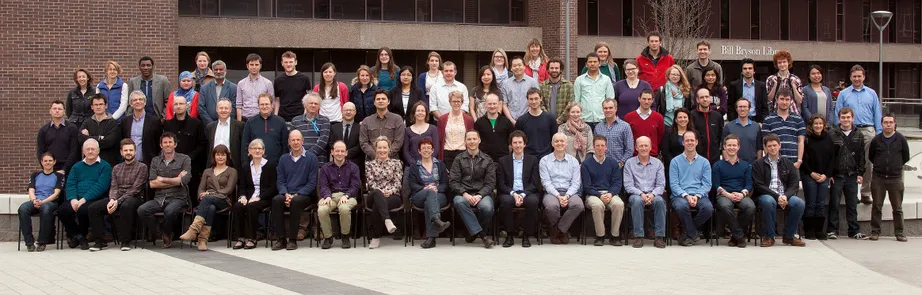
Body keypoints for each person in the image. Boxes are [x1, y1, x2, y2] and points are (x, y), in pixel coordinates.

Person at [834, 65, 882, 205]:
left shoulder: (872, 93)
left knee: (867, 162)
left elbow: (877, 113)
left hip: (868, 130)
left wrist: (878, 133)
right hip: (849, 130)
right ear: (850, 77)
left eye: (859, 76)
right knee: (848, 161)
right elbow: (838, 113)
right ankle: (851, 193)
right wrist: (839, 131)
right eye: (854, 76)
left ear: (863, 77)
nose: (857, 79)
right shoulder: (844, 94)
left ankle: (866, 193)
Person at [87, 139, 146, 252]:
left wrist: (118, 201)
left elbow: (135, 189)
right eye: (125, 150)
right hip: (117, 198)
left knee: (126, 206)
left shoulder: (142, 167)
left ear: (135, 152)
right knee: (93, 208)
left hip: (134, 198)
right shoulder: (116, 168)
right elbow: (114, 187)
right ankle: (100, 241)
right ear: (121, 152)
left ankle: (125, 241)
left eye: (130, 150)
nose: (128, 152)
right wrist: (112, 199)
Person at [138, 133, 191, 249]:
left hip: (178, 198)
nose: (168, 145)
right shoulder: (155, 161)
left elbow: (185, 180)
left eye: (170, 142)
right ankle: (162, 234)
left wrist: (162, 179)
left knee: (170, 211)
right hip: (159, 198)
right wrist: (175, 180)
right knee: (142, 210)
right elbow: (152, 183)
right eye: (165, 143)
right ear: (161, 145)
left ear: (175, 144)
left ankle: (167, 233)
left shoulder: (184, 159)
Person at [180, 145, 237, 251]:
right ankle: (202, 241)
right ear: (214, 156)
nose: (220, 157)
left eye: (223, 155)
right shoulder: (207, 171)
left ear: (227, 157)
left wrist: (210, 194)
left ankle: (193, 230)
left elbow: (228, 190)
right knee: (210, 207)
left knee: (207, 199)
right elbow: (201, 189)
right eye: (218, 155)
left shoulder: (232, 171)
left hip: (224, 200)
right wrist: (201, 194)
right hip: (208, 200)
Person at [753, 134, 806, 247]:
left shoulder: (788, 163)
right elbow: (758, 185)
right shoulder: (758, 164)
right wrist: (777, 197)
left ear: (779, 145)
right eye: (769, 146)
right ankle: (769, 236)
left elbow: (794, 184)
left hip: (785, 195)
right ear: (765, 148)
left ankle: (789, 236)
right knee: (768, 201)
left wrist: (785, 196)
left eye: (774, 145)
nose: (772, 148)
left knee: (799, 203)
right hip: (766, 195)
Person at [271, 130, 319, 251]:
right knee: (276, 200)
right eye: (293, 140)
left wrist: (296, 194)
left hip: (305, 195)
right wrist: (286, 194)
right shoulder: (283, 159)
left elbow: (312, 182)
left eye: (298, 140)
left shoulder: (311, 158)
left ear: (303, 141)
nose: (296, 142)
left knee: (296, 201)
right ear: (289, 142)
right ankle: (281, 239)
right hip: (288, 193)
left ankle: (292, 239)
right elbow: (280, 181)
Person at [60, 139, 112, 250]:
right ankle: (79, 237)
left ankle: (81, 237)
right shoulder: (76, 166)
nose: (90, 151)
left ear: (98, 151)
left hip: (95, 199)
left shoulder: (105, 166)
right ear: (83, 151)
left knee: (83, 210)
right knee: (63, 210)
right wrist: (73, 199)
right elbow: (70, 184)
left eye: (93, 149)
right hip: (76, 199)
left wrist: (84, 199)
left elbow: (101, 186)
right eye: (87, 149)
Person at [826, 107, 868, 240]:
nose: (846, 120)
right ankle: (832, 230)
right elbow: (829, 156)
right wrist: (829, 174)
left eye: (848, 117)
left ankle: (854, 230)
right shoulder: (832, 134)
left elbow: (862, 155)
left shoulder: (858, 134)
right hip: (837, 175)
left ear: (852, 118)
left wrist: (860, 173)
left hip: (852, 175)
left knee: (852, 204)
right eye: (843, 117)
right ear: (839, 119)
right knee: (834, 204)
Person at [450, 130, 496, 248]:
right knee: (459, 202)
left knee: (487, 207)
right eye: (469, 139)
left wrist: (479, 195)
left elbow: (490, 183)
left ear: (479, 140)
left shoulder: (487, 160)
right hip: (463, 193)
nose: (472, 141)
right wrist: (465, 194)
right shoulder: (458, 159)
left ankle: (473, 233)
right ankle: (482, 235)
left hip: (482, 194)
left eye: (474, 139)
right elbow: (454, 181)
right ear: (465, 141)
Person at [867, 114, 910, 242]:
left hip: (895, 178)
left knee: (897, 207)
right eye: (885, 122)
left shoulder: (901, 139)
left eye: (891, 122)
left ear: (895, 124)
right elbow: (871, 156)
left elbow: (906, 156)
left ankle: (900, 233)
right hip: (878, 177)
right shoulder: (876, 140)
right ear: (881, 124)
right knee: (876, 206)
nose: (888, 125)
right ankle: (875, 232)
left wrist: (895, 166)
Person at [668, 131, 714, 246]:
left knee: (708, 208)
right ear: (683, 142)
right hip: (680, 195)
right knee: (681, 206)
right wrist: (686, 196)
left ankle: (687, 233)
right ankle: (692, 233)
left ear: (696, 142)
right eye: (687, 140)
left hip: (699, 195)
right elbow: (674, 184)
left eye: (692, 140)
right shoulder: (675, 162)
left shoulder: (704, 162)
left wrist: (697, 196)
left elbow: (707, 184)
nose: (690, 143)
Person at [496, 131, 541, 248]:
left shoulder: (533, 160)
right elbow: (501, 183)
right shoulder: (503, 161)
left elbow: (535, 183)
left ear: (525, 144)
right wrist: (514, 194)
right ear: (511, 145)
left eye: (520, 142)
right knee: (506, 202)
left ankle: (526, 235)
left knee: (533, 202)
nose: (517, 145)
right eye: (515, 143)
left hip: (527, 191)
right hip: (509, 192)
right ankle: (509, 235)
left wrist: (523, 194)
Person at [231, 139, 278, 250]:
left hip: (264, 198)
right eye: (254, 148)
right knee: (238, 206)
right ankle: (240, 238)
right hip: (249, 197)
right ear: (249, 151)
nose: (257, 150)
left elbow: (273, 188)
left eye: (260, 148)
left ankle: (252, 238)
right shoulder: (246, 167)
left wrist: (259, 197)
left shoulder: (270, 166)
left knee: (251, 206)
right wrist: (242, 196)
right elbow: (242, 186)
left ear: (263, 151)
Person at [623, 136, 667, 248]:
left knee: (660, 202)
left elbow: (661, 185)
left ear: (650, 147)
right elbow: (628, 185)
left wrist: (652, 195)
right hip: (636, 194)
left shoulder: (658, 163)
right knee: (637, 202)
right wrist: (641, 194)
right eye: (641, 146)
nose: (643, 148)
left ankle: (659, 237)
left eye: (646, 145)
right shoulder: (629, 163)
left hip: (654, 194)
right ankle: (638, 237)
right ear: (636, 147)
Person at [541, 133, 584, 244]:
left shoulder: (573, 161)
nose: (559, 143)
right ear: (552, 143)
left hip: (569, 192)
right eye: (556, 141)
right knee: (551, 206)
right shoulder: (544, 161)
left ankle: (558, 230)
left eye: (562, 141)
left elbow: (576, 183)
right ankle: (563, 231)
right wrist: (558, 196)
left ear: (566, 144)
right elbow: (546, 182)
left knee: (578, 205)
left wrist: (567, 195)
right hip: (551, 192)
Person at [712, 134, 754, 248]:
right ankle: (740, 236)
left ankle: (734, 236)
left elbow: (749, 184)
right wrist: (727, 194)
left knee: (750, 207)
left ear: (738, 147)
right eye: (729, 145)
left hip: (741, 194)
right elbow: (715, 184)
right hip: (724, 194)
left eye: (734, 145)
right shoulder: (717, 165)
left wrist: (742, 194)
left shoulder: (746, 166)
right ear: (724, 147)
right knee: (725, 206)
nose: (731, 147)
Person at [317, 141, 361, 249]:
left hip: (349, 196)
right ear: (332, 152)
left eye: (342, 151)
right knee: (322, 209)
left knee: (344, 208)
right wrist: (327, 196)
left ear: (346, 153)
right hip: (330, 196)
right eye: (337, 151)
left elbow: (355, 186)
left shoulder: (354, 167)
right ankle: (328, 237)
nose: (339, 153)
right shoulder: (325, 168)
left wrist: (346, 196)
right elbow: (323, 185)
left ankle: (345, 236)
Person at [582, 135, 625, 246]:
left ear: (606, 147)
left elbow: (617, 183)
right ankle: (600, 236)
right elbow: (587, 186)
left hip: (610, 193)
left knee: (619, 204)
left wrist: (610, 194)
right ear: (593, 147)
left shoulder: (613, 163)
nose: (600, 148)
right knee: (597, 205)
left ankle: (614, 236)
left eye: (602, 145)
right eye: (597, 146)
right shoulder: (586, 164)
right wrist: (599, 195)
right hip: (593, 194)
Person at [408, 139, 451, 249]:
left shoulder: (440, 165)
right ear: (419, 151)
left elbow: (445, 183)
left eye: (428, 148)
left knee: (429, 203)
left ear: (433, 150)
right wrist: (425, 188)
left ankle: (431, 238)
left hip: (439, 195)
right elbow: (412, 184)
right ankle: (437, 220)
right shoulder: (414, 166)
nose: (426, 150)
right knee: (429, 194)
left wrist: (436, 188)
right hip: (419, 195)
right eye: (423, 148)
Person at [163, 95, 207, 201]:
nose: (178, 106)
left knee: (192, 196)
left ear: (187, 106)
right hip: (173, 165)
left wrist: (190, 157)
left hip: (192, 166)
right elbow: (165, 144)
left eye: (181, 104)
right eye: (176, 104)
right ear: (172, 106)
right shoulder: (168, 125)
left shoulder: (196, 123)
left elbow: (202, 144)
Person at [18, 153, 64, 252]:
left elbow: (56, 193)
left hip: (50, 202)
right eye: (45, 161)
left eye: (50, 161)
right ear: (42, 162)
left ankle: (42, 242)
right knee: (23, 208)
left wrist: (43, 202)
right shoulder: (35, 175)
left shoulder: (59, 176)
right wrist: (34, 200)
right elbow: (31, 190)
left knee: (46, 208)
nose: (48, 163)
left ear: (54, 162)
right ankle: (29, 242)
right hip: (36, 200)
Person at [364, 139, 404, 249]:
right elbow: (370, 183)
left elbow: (398, 182)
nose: (382, 150)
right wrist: (381, 192)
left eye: (384, 147)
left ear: (389, 148)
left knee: (377, 206)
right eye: (379, 147)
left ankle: (376, 237)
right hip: (374, 194)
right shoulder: (369, 164)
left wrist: (390, 191)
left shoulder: (397, 163)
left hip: (392, 196)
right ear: (375, 149)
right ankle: (387, 220)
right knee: (377, 193)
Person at [801, 114, 835, 240]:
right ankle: (809, 230)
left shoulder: (828, 138)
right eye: (816, 124)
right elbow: (804, 159)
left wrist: (826, 175)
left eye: (820, 123)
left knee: (821, 204)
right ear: (811, 125)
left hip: (824, 176)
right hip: (810, 175)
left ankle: (819, 230)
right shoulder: (807, 139)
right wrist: (811, 173)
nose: (818, 126)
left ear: (824, 125)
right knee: (811, 203)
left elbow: (832, 158)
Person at [761, 88, 806, 166]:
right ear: (777, 100)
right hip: (775, 163)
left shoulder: (798, 119)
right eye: (782, 99)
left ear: (791, 101)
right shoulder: (768, 120)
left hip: (794, 163)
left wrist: (799, 161)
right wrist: (771, 161)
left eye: (787, 99)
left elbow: (800, 141)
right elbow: (765, 143)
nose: (784, 102)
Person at [241, 93, 289, 165]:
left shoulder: (280, 122)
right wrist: (245, 164)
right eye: (262, 104)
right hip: (255, 166)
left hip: (276, 166)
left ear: (272, 105)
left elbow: (285, 145)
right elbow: (245, 144)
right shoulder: (250, 122)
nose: (264, 106)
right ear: (258, 105)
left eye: (267, 104)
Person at [360, 90, 406, 160]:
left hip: (392, 161)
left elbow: (398, 141)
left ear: (388, 102)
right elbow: (363, 142)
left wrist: (385, 156)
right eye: (378, 99)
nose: (380, 101)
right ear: (374, 102)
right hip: (372, 162)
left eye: (383, 99)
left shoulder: (397, 119)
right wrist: (375, 155)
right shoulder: (366, 121)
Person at [120, 91, 163, 165]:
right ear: (131, 104)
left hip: (148, 162)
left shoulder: (154, 121)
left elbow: (158, 142)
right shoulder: (125, 121)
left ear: (145, 102)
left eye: (140, 99)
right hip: (128, 162)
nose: (138, 101)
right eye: (135, 100)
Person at [574, 52, 615, 129]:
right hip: (584, 120)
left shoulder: (606, 79)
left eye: (595, 62)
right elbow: (577, 100)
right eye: (590, 62)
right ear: (586, 64)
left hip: (602, 119)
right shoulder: (579, 80)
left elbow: (610, 99)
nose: (592, 64)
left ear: (599, 63)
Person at [38, 100, 79, 174]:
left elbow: (74, 151)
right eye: (54, 109)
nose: (57, 111)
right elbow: (40, 151)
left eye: (59, 109)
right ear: (50, 111)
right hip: (50, 169)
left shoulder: (72, 129)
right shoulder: (43, 130)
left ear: (64, 112)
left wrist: (64, 169)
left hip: (69, 170)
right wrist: (47, 168)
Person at [515, 89, 558, 158]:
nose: (534, 102)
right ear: (527, 100)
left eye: (536, 98)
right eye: (531, 99)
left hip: (546, 157)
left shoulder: (550, 118)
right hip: (528, 158)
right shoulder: (521, 120)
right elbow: (518, 140)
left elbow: (554, 138)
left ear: (541, 99)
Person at [593, 99, 634, 172]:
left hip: (619, 168)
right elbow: (595, 148)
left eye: (610, 108)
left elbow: (630, 149)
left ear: (616, 108)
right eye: (605, 108)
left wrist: (621, 163)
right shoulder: (598, 127)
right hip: (601, 167)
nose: (608, 110)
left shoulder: (625, 126)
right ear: (602, 109)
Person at [436, 90, 474, 167]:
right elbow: (439, 139)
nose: (456, 103)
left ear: (462, 102)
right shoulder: (442, 119)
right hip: (447, 153)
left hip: (463, 153)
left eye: (458, 101)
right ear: (450, 102)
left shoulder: (469, 120)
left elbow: (471, 139)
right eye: (454, 101)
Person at [623, 89, 665, 157]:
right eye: (644, 99)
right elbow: (626, 137)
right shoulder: (629, 117)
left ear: (652, 100)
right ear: (639, 99)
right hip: (633, 156)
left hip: (652, 156)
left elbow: (660, 137)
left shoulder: (658, 117)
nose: (646, 102)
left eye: (649, 99)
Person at [474, 93, 514, 163]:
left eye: (494, 104)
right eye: (489, 104)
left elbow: (511, 142)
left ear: (499, 104)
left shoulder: (506, 122)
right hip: (484, 160)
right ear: (485, 105)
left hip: (503, 160)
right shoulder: (479, 123)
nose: (492, 106)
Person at [292, 93, 331, 164]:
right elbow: (291, 141)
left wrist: (306, 156)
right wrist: (299, 155)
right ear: (305, 104)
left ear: (319, 106)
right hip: (298, 162)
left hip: (318, 163)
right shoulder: (295, 121)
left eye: (316, 104)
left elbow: (323, 141)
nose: (313, 105)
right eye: (311, 103)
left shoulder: (325, 121)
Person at [205, 99, 245, 169]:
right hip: (214, 165)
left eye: (226, 108)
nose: (223, 110)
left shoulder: (240, 126)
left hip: (232, 164)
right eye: (221, 108)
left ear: (230, 110)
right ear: (217, 110)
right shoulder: (210, 127)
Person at [727, 58, 769, 123]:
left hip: (756, 120)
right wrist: (733, 122)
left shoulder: (761, 86)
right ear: (741, 71)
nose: (747, 71)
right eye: (745, 69)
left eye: (750, 68)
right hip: (738, 120)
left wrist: (762, 122)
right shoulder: (734, 85)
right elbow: (730, 106)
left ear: (754, 71)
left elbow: (764, 107)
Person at [274, 51, 312, 122]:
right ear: (282, 63)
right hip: (282, 118)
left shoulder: (304, 79)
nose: (288, 64)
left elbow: (309, 99)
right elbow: (277, 100)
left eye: (291, 62)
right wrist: (275, 116)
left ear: (296, 62)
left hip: (300, 117)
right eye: (286, 62)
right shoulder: (277, 80)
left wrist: (305, 115)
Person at [502, 56, 540, 124]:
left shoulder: (532, 82)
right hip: (510, 121)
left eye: (519, 65)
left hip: (529, 120)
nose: (517, 67)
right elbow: (504, 104)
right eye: (514, 66)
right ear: (511, 68)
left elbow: (537, 101)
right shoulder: (505, 84)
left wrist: (527, 117)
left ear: (524, 66)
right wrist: (511, 120)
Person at [723, 99, 763, 164]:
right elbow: (724, 148)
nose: (742, 109)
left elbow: (759, 149)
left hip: (752, 166)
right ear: (736, 109)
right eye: (740, 107)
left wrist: (758, 165)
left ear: (749, 109)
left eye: (745, 107)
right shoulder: (728, 127)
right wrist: (729, 164)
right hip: (734, 165)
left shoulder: (756, 127)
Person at [236, 53, 274, 121]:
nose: (254, 67)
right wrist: (239, 123)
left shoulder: (268, 83)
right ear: (247, 66)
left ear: (260, 66)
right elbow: (239, 105)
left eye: (256, 65)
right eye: (251, 65)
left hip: (262, 119)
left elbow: (271, 104)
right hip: (245, 119)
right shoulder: (241, 84)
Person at [198, 60, 238, 125]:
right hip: (208, 126)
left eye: (221, 69)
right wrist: (211, 124)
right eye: (216, 70)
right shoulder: (204, 88)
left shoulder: (233, 88)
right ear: (213, 71)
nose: (218, 72)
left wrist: (225, 122)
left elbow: (233, 107)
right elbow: (201, 108)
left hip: (227, 125)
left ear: (225, 71)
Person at [690, 87, 723, 163]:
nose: (705, 99)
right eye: (702, 97)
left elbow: (719, 136)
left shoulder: (717, 116)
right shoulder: (691, 116)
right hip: (697, 158)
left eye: (707, 97)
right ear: (697, 100)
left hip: (714, 158)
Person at [660, 108, 696, 180]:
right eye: (680, 117)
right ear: (676, 120)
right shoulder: (668, 133)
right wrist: (676, 164)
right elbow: (665, 152)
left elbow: (699, 150)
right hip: (673, 168)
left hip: (691, 168)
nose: (682, 119)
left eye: (685, 117)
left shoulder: (695, 133)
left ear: (688, 119)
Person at [766, 50, 804, 115]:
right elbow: (769, 99)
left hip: (793, 113)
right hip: (776, 113)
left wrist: (793, 86)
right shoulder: (771, 79)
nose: (782, 64)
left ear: (788, 62)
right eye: (779, 62)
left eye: (784, 62)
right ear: (776, 64)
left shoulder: (796, 79)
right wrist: (775, 85)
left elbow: (799, 101)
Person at [330, 103, 363, 173]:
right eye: (346, 110)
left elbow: (360, 145)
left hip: (355, 164)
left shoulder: (360, 128)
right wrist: (340, 153)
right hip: (336, 164)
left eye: (351, 110)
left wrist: (345, 153)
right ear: (342, 111)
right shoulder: (334, 127)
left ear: (355, 112)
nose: (348, 112)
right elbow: (331, 143)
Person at [540, 58, 575, 124]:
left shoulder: (568, 85)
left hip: (564, 123)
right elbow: (541, 104)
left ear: (561, 69)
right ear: (548, 69)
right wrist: (549, 118)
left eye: (556, 68)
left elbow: (570, 104)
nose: (554, 70)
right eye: (552, 68)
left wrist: (560, 119)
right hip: (546, 122)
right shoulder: (542, 86)